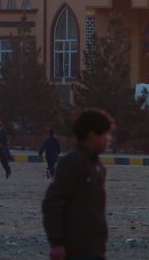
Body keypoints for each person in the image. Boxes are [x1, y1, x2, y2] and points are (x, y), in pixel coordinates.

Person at [42, 108, 114, 260]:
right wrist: (57, 243)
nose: (109, 139)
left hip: (94, 248)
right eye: (105, 134)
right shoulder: (72, 162)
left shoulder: (97, 166)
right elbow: (52, 203)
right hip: (75, 250)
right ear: (92, 136)